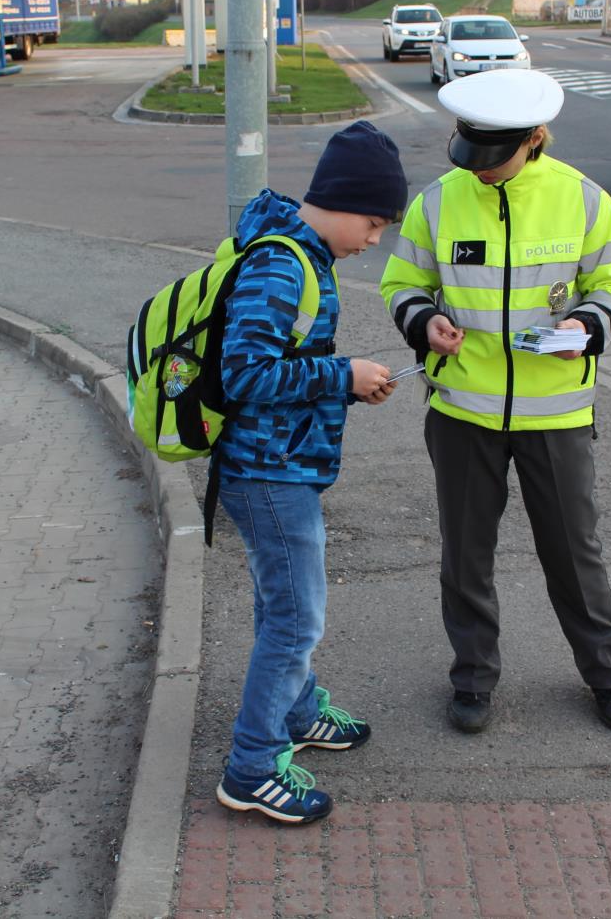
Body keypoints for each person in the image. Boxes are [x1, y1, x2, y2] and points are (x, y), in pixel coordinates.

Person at [379, 68, 611, 737]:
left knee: (575, 557)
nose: (483, 170)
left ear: (535, 139)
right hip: (463, 411)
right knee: (465, 556)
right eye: (473, 154)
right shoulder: (437, 202)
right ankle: (472, 681)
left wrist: (586, 325)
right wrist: (421, 321)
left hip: (557, 416)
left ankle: (605, 675)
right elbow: (402, 281)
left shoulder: (585, 201)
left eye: (497, 157)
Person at [212, 121, 408, 825]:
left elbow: (282, 361)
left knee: (282, 605)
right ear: (347, 203)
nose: (375, 239)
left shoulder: (301, 255)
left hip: (279, 463)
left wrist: (345, 382)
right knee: (296, 619)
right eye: (375, 223)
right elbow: (245, 371)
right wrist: (341, 372)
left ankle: (295, 714)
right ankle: (253, 767)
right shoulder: (284, 264)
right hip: (268, 473)